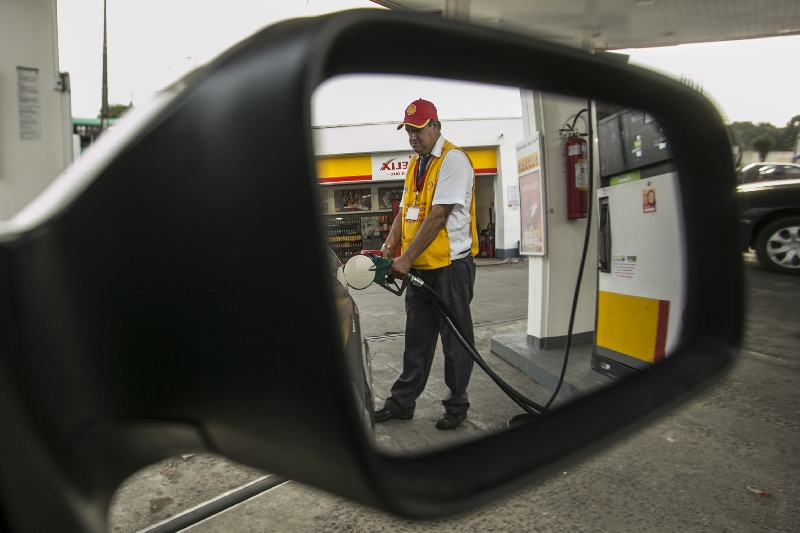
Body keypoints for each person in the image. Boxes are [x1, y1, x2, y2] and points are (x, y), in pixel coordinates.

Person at [373, 99, 478, 430]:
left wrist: (406, 258)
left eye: (418, 129)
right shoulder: (415, 165)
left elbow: (438, 216)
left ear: (435, 126)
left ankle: (457, 404)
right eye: (408, 130)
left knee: (455, 341)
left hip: (450, 268)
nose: (413, 136)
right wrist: (390, 247)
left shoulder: (453, 160)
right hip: (420, 269)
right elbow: (406, 211)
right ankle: (402, 403)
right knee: (416, 339)